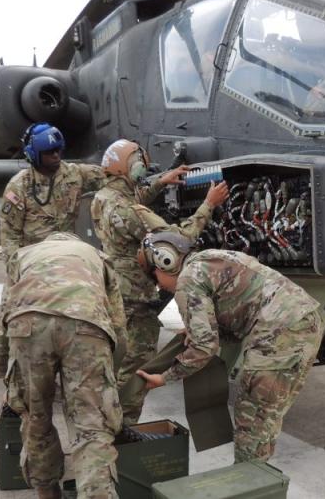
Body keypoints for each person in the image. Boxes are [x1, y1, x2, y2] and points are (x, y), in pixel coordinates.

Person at [135, 231, 325, 463]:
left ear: (166, 262)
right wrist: (199, 328)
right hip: (304, 320)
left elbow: (205, 346)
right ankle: (260, 480)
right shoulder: (209, 258)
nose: (160, 286)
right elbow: (235, 308)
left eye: (155, 278)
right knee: (266, 416)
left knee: (252, 419)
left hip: (279, 333)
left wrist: (165, 378)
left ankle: (247, 482)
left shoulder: (187, 279)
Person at [90, 139, 228, 424]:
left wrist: (161, 183)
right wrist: (208, 205)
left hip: (115, 293)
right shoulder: (133, 213)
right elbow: (177, 239)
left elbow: (131, 200)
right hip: (138, 300)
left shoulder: (102, 199)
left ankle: (107, 422)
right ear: (131, 166)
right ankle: (122, 426)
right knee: (137, 367)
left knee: (118, 362)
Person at [0, 232, 125, 499]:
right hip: (88, 326)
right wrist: (109, 379)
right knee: (92, 426)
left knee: (36, 418)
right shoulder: (99, 257)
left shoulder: (23, 256)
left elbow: (2, 319)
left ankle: (47, 492)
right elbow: (119, 327)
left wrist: (2, 371)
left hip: (27, 326)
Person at [0, 122, 107, 262]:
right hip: (36, 261)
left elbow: (111, 177)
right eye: (49, 152)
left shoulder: (75, 174)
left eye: (58, 150)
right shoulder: (19, 186)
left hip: (67, 257)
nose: (56, 155)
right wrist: (16, 268)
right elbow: (10, 236)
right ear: (33, 155)